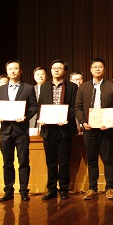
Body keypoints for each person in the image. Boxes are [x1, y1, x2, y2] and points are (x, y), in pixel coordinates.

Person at [74, 57, 113, 200]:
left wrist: (109, 121)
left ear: (104, 69)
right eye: (95, 67)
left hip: (106, 129)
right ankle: (92, 188)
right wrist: (83, 122)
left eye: (100, 67)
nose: (98, 69)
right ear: (91, 70)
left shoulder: (112, 87)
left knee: (108, 159)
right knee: (92, 159)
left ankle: (110, 188)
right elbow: (78, 107)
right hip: (89, 129)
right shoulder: (83, 87)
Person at [0, 59, 38, 202]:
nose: (12, 71)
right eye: (10, 69)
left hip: (21, 131)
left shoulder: (28, 88)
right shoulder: (1, 89)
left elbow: (34, 106)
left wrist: (26, 117)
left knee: (23, 162)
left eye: (15, 68)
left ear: (20, 71)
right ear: (6, 71)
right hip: (6, 131)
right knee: (7, 162)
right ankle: (8, 191)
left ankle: (24, 191)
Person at [37, 59, 78, 200]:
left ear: (64, 71)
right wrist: (41, 118)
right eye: (54, 68)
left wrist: (67, 119)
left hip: (64, 128)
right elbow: (40, 105)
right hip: (48, 129)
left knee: (64, 161)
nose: (56, 70)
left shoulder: (72, 87)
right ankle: (52, 189)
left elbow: (74, 106)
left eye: (59, 68)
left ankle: (64, 189)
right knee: (51, 161)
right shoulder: (44, 87)